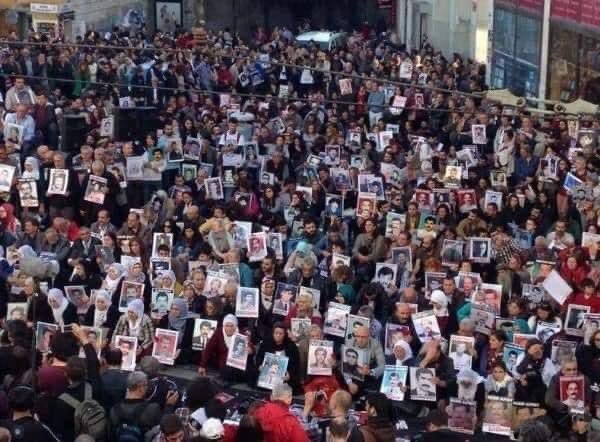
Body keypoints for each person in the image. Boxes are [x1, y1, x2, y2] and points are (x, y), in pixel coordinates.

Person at [109, 371, 162, 440]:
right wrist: (169, 406)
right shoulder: (152, 408)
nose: (147, 388)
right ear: (140, 387)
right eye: (146, 385)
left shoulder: (114, 410)